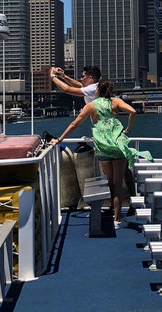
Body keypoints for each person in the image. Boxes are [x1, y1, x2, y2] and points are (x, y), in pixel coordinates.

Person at [52, 79, 145, 228]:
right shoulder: (116, 102)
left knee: (111, 183)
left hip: (102, 146)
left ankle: (113, 215)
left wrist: (60, 139)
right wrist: (128, 129)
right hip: (117, 145)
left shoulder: (91, 106)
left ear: (97, 91)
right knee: (118, 184)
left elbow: (75, 124)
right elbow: (133, 112)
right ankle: (116, 219)